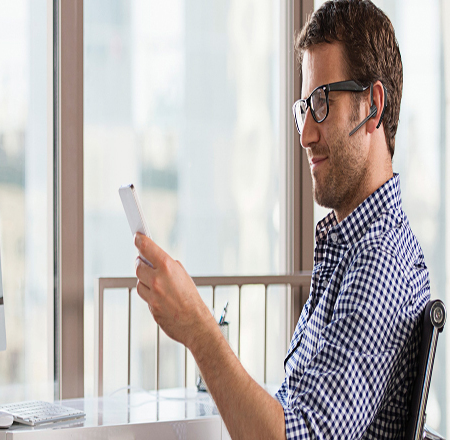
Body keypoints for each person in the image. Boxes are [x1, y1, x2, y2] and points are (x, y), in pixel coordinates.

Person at [133, 1, 430, 438]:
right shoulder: (351, 249)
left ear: (373, 105)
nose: (306, 134)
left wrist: (198, 328)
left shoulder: (379, 263)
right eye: (304, 107)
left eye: (323, 103)